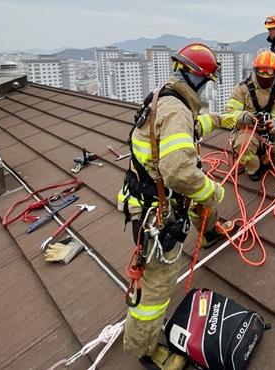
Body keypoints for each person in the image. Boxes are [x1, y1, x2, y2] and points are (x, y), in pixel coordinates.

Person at [117, 43, 234, 370]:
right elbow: (179, 172)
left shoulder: (165, 98)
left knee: (200, 203)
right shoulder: (178, 111)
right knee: (156, 288)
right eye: (207, 81)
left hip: (149, 196)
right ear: (199, 79)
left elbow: (191, 129)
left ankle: (209, 233)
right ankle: (143, 347)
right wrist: (214, 191)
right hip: (155, 211)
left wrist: (224, 120)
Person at [223, 50, 275, 181]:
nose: (265, 75)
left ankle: (265, 155)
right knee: (244, 145)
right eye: (261, 70)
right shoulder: (242, 89)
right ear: (255, 70)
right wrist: (244, 117)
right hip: (248, 132)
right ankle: (253, 165)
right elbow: (228, 112)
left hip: (273, 134)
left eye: (269, 71)